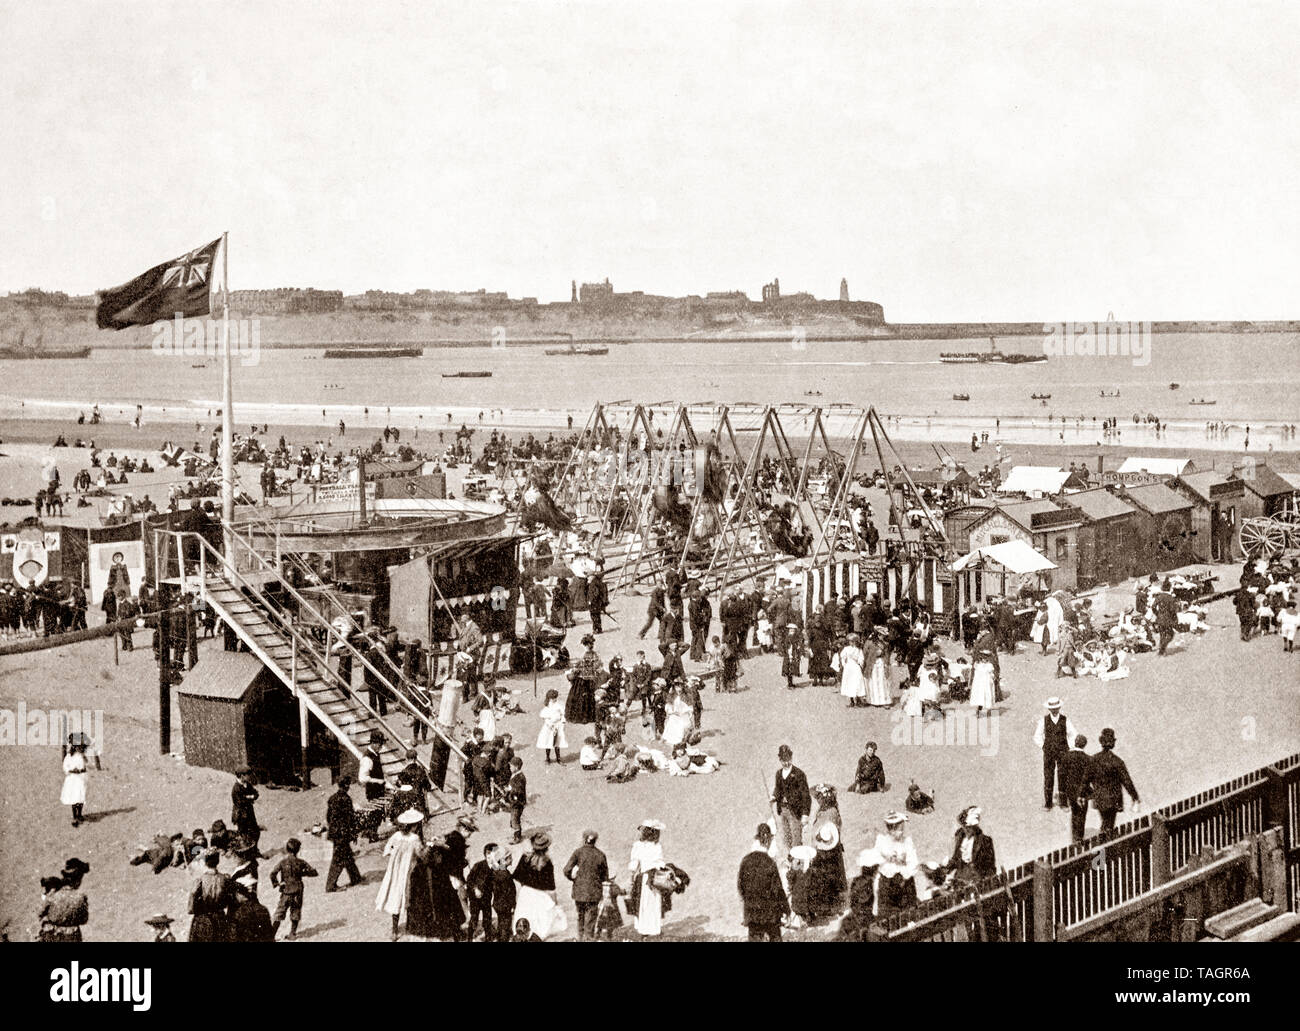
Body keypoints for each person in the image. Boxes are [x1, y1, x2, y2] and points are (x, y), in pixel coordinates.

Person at [406, 830, 467, 941]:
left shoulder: (442, 847)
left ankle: (448, 930)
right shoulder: (437, 851)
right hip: (435, 880)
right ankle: (447, 931)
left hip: (438, 879)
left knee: (444, 905)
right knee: (442, 905)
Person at [1082, 728, 1141, 837]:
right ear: (1112, 742)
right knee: (1109, 823)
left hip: (1099, 798)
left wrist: (1090, 793)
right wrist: (1135, 796)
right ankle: (1104, 844)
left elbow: (1085, 780)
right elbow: (1126, 781)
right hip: (1114, 799)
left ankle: (1103, 842)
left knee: (1105, 822)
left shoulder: (1093, 760)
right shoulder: (1117, 761)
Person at [376, 809, 424, 940]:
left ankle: (394, 930)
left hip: (395, 871)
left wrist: (395, 855)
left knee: (396, 898)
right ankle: (410, 925)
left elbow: (387, 850)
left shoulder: (396, 835)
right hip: (409, 871)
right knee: (410, 896)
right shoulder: (414, 838)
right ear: (413, 825)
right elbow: (421, 854)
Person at [738, 823, 789, 941]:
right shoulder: (769, 862)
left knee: (754, 938)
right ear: (768, 842)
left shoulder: (745, 861)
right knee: (775, 937)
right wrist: (786, 909)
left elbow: (741, 886)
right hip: (770, 913)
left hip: (752, 912)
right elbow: (777, 889)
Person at [513, 831, 567, 939]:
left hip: (526, 894)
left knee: (524, 918)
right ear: (546, 848)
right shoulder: (547, 863)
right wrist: (555, 905)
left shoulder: (525, 858)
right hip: (540, 897)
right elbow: (551, 888)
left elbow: (517, 876)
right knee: (539, 925)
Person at [1033, 697, 1079, 811]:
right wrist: (1043, 746)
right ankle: (1048, 803)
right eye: (1052, 708)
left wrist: (1070, 746)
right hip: (1049, 753)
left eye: (1056, 708)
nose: (1054, 710)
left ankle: (1063, 803)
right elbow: (1037, 736)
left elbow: (1073, 734)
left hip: (1063, 752)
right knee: (1048, 776)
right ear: (1049, 709)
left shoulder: (1065, 720)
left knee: (1063, 775)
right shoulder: (1043, 720)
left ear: (1059, 708)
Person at [563, 829, 609, 941]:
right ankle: (588, 938)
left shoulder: (578, 852)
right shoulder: (601, 855)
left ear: (584, 839)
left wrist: (573, 879)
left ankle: (580, 938)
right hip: (594, 893)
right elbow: (605, 877)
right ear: (595, 840)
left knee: (581, 916)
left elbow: (566, 870)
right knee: (591, 918)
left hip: (579, 891)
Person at [872, 812, 919, 916]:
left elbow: (913, 863)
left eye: (903, 829)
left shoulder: (907, 842)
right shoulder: (881, 842)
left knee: (909, 913)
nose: (902, 832)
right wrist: (888, 858)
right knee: (888, 917)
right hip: (887, 884)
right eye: (899, 830)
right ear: (890, 829)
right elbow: (877, 861)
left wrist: (904, 872)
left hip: (905, 884)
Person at [269, 837, 318, 939]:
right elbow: (314, 872)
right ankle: (292, 933)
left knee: (280, 912)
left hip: (286, 891)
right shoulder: (301, 862)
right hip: (297, 890)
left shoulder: (283, 862)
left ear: (287, 849)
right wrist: (302, 873)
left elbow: (272, 874)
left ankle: (271, 935)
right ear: (298, 850)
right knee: (295, 911)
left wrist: (277, 884)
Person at [628, 819, 668, 937]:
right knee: (654, 902)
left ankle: (644, 929)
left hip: (644, 877)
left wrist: (631, 878)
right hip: (655, 878)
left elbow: (634, 864)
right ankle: (654, 929)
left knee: (643, 904)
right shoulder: (657, 846)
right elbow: (660, 863)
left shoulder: (638, 845)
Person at [325, 775, 364, 892]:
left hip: (335, 832)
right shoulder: (346, 799)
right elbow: (350, 819)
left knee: (348, 856)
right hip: (343, 834)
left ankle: (355, 878)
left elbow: (328, 817)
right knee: (338, 859)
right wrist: (353, 833)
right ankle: (331, 885)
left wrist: (333, 828)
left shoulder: (332, 798)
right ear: (346, 785)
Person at [771, 744, 811, 853]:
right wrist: (774, 796)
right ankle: (791, 863)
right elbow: (778, 788)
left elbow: (806, 795)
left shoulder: (799, 774)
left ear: (791, 757)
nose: (786, 762)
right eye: (783, 760)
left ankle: (798, 865)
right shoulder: (778, 774)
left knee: (796, 841)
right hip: (782, 811)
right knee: (786, 840)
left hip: (795, 812)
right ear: (779, 759)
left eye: (788, 759)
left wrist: (805, 814)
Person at [188, 850, 237, 942]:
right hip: (221, 920)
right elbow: (232, 902)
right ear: (217, 861)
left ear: (205, 863)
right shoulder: (225, 879)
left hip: (203, 922)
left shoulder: (199, 881)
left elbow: (191, 908)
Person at [38, 859, 90, 942]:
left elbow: (39, 913)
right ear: (79, 879)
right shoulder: (81, 898)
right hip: (71, 937)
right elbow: (84, 919)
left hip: (51, 936)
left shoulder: (53, 894)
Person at [947, 807, 996, 886]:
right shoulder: (960, 840)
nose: (967, 829)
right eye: (965, 826)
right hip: (961, 878)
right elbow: (955, 859)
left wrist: (989, 882)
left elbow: (990, 866)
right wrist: (943, 871)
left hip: (977, 879)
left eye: (969, 827)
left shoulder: (985, 840)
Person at [1058, 735, 1092, 842]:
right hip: (1083, 792)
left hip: (1070, 791)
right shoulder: (1088, 759)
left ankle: (1074, 838)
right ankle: (1079, 838)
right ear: (1084, 745)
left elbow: (1061, 775)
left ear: (1075, 742)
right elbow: (1091, 777)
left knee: (1074, 813)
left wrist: (1062, 792)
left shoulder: (1066, 757)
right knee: (1082, 815)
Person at [565, 634, 601, 726]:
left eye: (584, 645)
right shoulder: (594, 654)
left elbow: (585, 667)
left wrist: (576, 669)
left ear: (586, 645)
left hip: (584, 680)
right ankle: (589, 716)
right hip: (591, 679)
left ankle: (583, 717)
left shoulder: (588, 655)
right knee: (588, 697)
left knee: (580, 697)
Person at [466, 843, 498, 941]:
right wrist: (475, 889)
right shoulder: (478, 865)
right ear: (487, 854)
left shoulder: (497, 867)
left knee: (487, 919)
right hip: (475, 898)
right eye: (493, 853)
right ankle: (469, 938)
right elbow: (469, 880)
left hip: (487, 898)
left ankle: (488, 938)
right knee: (474, 919)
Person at [490, 847, 517, 941]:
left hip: (497, 903)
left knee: (501, 922)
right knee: (505, 923)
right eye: (510, 857)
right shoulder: (505, 875)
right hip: (505, 904)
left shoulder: (496, 871)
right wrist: (513, 905)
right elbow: (509, 893)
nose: (512, 859)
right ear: (503, 860)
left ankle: (499, 936)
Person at [535, 688, 568, 763]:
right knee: (548, 742)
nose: (554, 699)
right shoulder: (547, 707)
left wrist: (562, 722)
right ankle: (547, 758)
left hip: (558, 725)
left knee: (557, 742)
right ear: (549, 698)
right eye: (553, 698)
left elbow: (563, 715)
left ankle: (558, 758)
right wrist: (549, 725)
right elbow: (545, 718)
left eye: (555, 698)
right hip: (549, 727)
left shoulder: (559, 705)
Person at [231, 768, 260, 850]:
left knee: (255, 832)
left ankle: (254, 850)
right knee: (244, 835)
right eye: (247, 775)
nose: (249, 777)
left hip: (249, 812)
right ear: (242, 776)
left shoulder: (247, 784)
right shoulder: (236, 788)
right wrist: (250, 797)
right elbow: (239, 801)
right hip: (241, 814)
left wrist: (249, 797)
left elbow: (256, 793)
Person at [835, 633, 867, 707]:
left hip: (856, 667)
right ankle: (851, 701)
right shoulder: (846, 649)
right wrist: (844, 664)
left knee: (857, 682)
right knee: (849, 683)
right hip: (849, 667)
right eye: (850, 641)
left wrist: (860, 663)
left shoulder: (859, 650)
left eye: (853, 641)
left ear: (856, 642)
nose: (852, 643)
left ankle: (858, 699)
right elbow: (842, 656)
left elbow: (861, 658)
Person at [61, 740, 88, 827]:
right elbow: (65, 767)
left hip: (80, 778)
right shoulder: (69, 756)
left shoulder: (81, 756)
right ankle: (74, 816)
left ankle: (79, 814)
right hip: (72, 778)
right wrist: (72, 770)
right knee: (74, 797)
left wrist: (81, 770)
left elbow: (85, 766)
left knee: (80, 796)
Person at [359, 730, 388, 803]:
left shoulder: (376, 754)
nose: (381, 746)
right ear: (373, 743)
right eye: (379, 744)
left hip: (380, 792)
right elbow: (362, 778)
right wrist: (378, 781)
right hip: (373, 795)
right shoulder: (367, 758)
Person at [507, 756, 528, 844]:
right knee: (514, 818)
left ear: (516, 767)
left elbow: (518, 791)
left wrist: (511, 790)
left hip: (517, 802)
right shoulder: (516, 775)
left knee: (515, 819)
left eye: (511, 766)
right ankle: (516, 834)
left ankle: (517, 837)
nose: (510, 768)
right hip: (515, 802)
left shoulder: (520, 777)